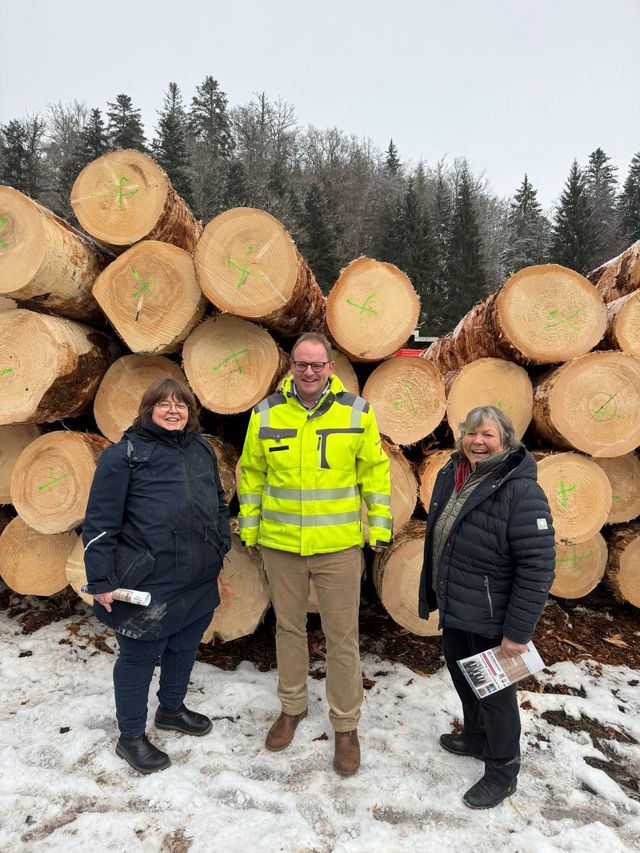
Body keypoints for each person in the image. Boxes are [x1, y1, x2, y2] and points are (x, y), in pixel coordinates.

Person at [238, 332, 392, 776]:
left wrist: (378, 525)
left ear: (330, 368)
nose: (309, 372)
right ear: (291, 367)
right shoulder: (266, 413)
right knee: (288, 629)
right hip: (282, 546)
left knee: (342, 636)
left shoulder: (357, 412)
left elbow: (375, 474)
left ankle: (346, 725)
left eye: (317, 365)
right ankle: (292, 709)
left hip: (338, 548)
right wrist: (251, 527)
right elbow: (251, 475)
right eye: (302, 365)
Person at [83, 377, 231, 774]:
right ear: (148, 410)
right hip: (148, 579)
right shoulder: (124, 456)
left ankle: (170, 709)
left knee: (185, 646)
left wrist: (220, 545)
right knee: (138, 656)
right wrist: (100, 580)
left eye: (180, 405)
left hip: (198, 574)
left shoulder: (200, 449)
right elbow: (99, 522)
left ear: (189, 412)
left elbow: (217, 500)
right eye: (163, 404)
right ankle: (130, 736)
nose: (172, 410)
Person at [418, 406, 555, 809]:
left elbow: (538, 565)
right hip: (459, 604)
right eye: (472, 433)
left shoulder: (519, 489)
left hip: (493, 615)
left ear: (506, 441)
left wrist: (518, 632)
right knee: (465, 679)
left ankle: (502, 771)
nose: (478, 441)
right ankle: (476, 738)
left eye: (488, 435)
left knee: (495, 696)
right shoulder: (454, 473)